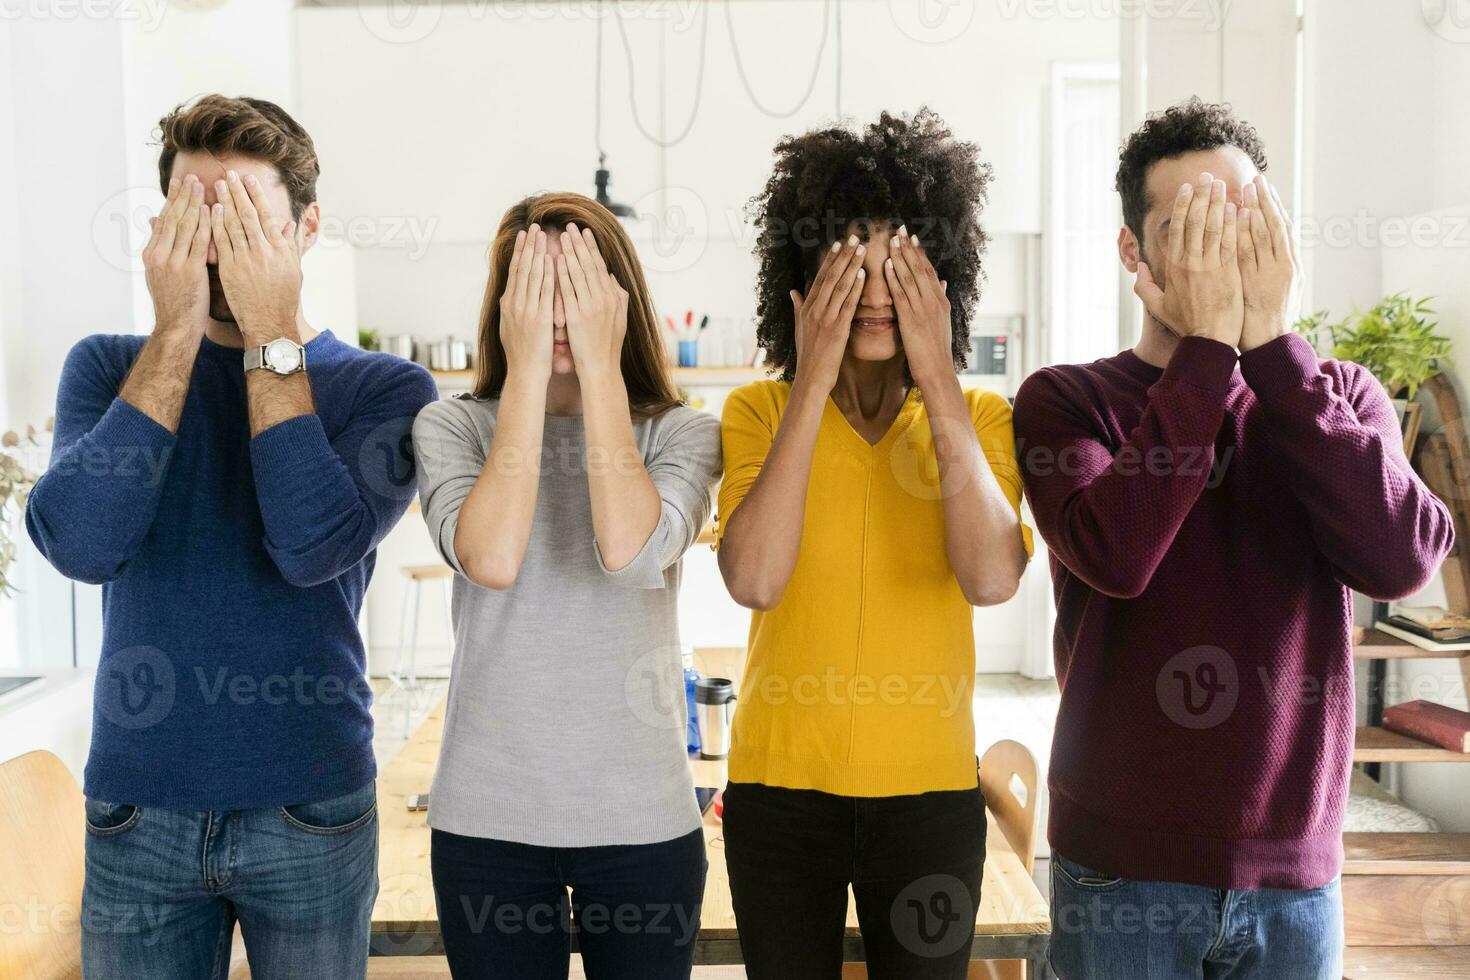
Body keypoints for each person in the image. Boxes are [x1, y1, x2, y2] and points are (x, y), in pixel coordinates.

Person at [1012, 97, 1455, 980]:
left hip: (1296, 880)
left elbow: (1402, 561)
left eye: (1242, 223)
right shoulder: (1068, 401)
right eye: (1191, 230)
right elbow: (1118, 556)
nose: (1223, 253)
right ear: (1133, 254)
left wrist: (1275, 353)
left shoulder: (1336, 394)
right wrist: (1210, 347)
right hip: (1120, 875)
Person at [25, 95, 437, 978]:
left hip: (310, 802)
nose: (218, 248)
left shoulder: (384, 389)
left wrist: (270, 334)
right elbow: (81, 547)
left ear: (307, 227)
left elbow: (308, 544)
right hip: (140, 806)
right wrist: (176, 329)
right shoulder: (106, 368)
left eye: (247, 219)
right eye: (194, 218)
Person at [714, 109, 1032, 980]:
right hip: (779, 799)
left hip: (929, 800)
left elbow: (991, 576)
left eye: (902, 263)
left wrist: (939, 377)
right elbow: (753, 578)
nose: (878, 291)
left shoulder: (983, 421)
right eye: (853, 263)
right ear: (804, 276)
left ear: (944, 281)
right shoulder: (759, 413)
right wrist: (811, 377)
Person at [412, 193, 720, 980]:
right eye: (535, 290)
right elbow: (492, 558)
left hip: (644, 821)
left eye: (576, 288)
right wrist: (522, 378)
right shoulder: (452, 428)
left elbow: (629, 549)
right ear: (502, 303)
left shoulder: (680, 433)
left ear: (618, 301)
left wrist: (599, 369)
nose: (557, 312)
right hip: (488, 821)